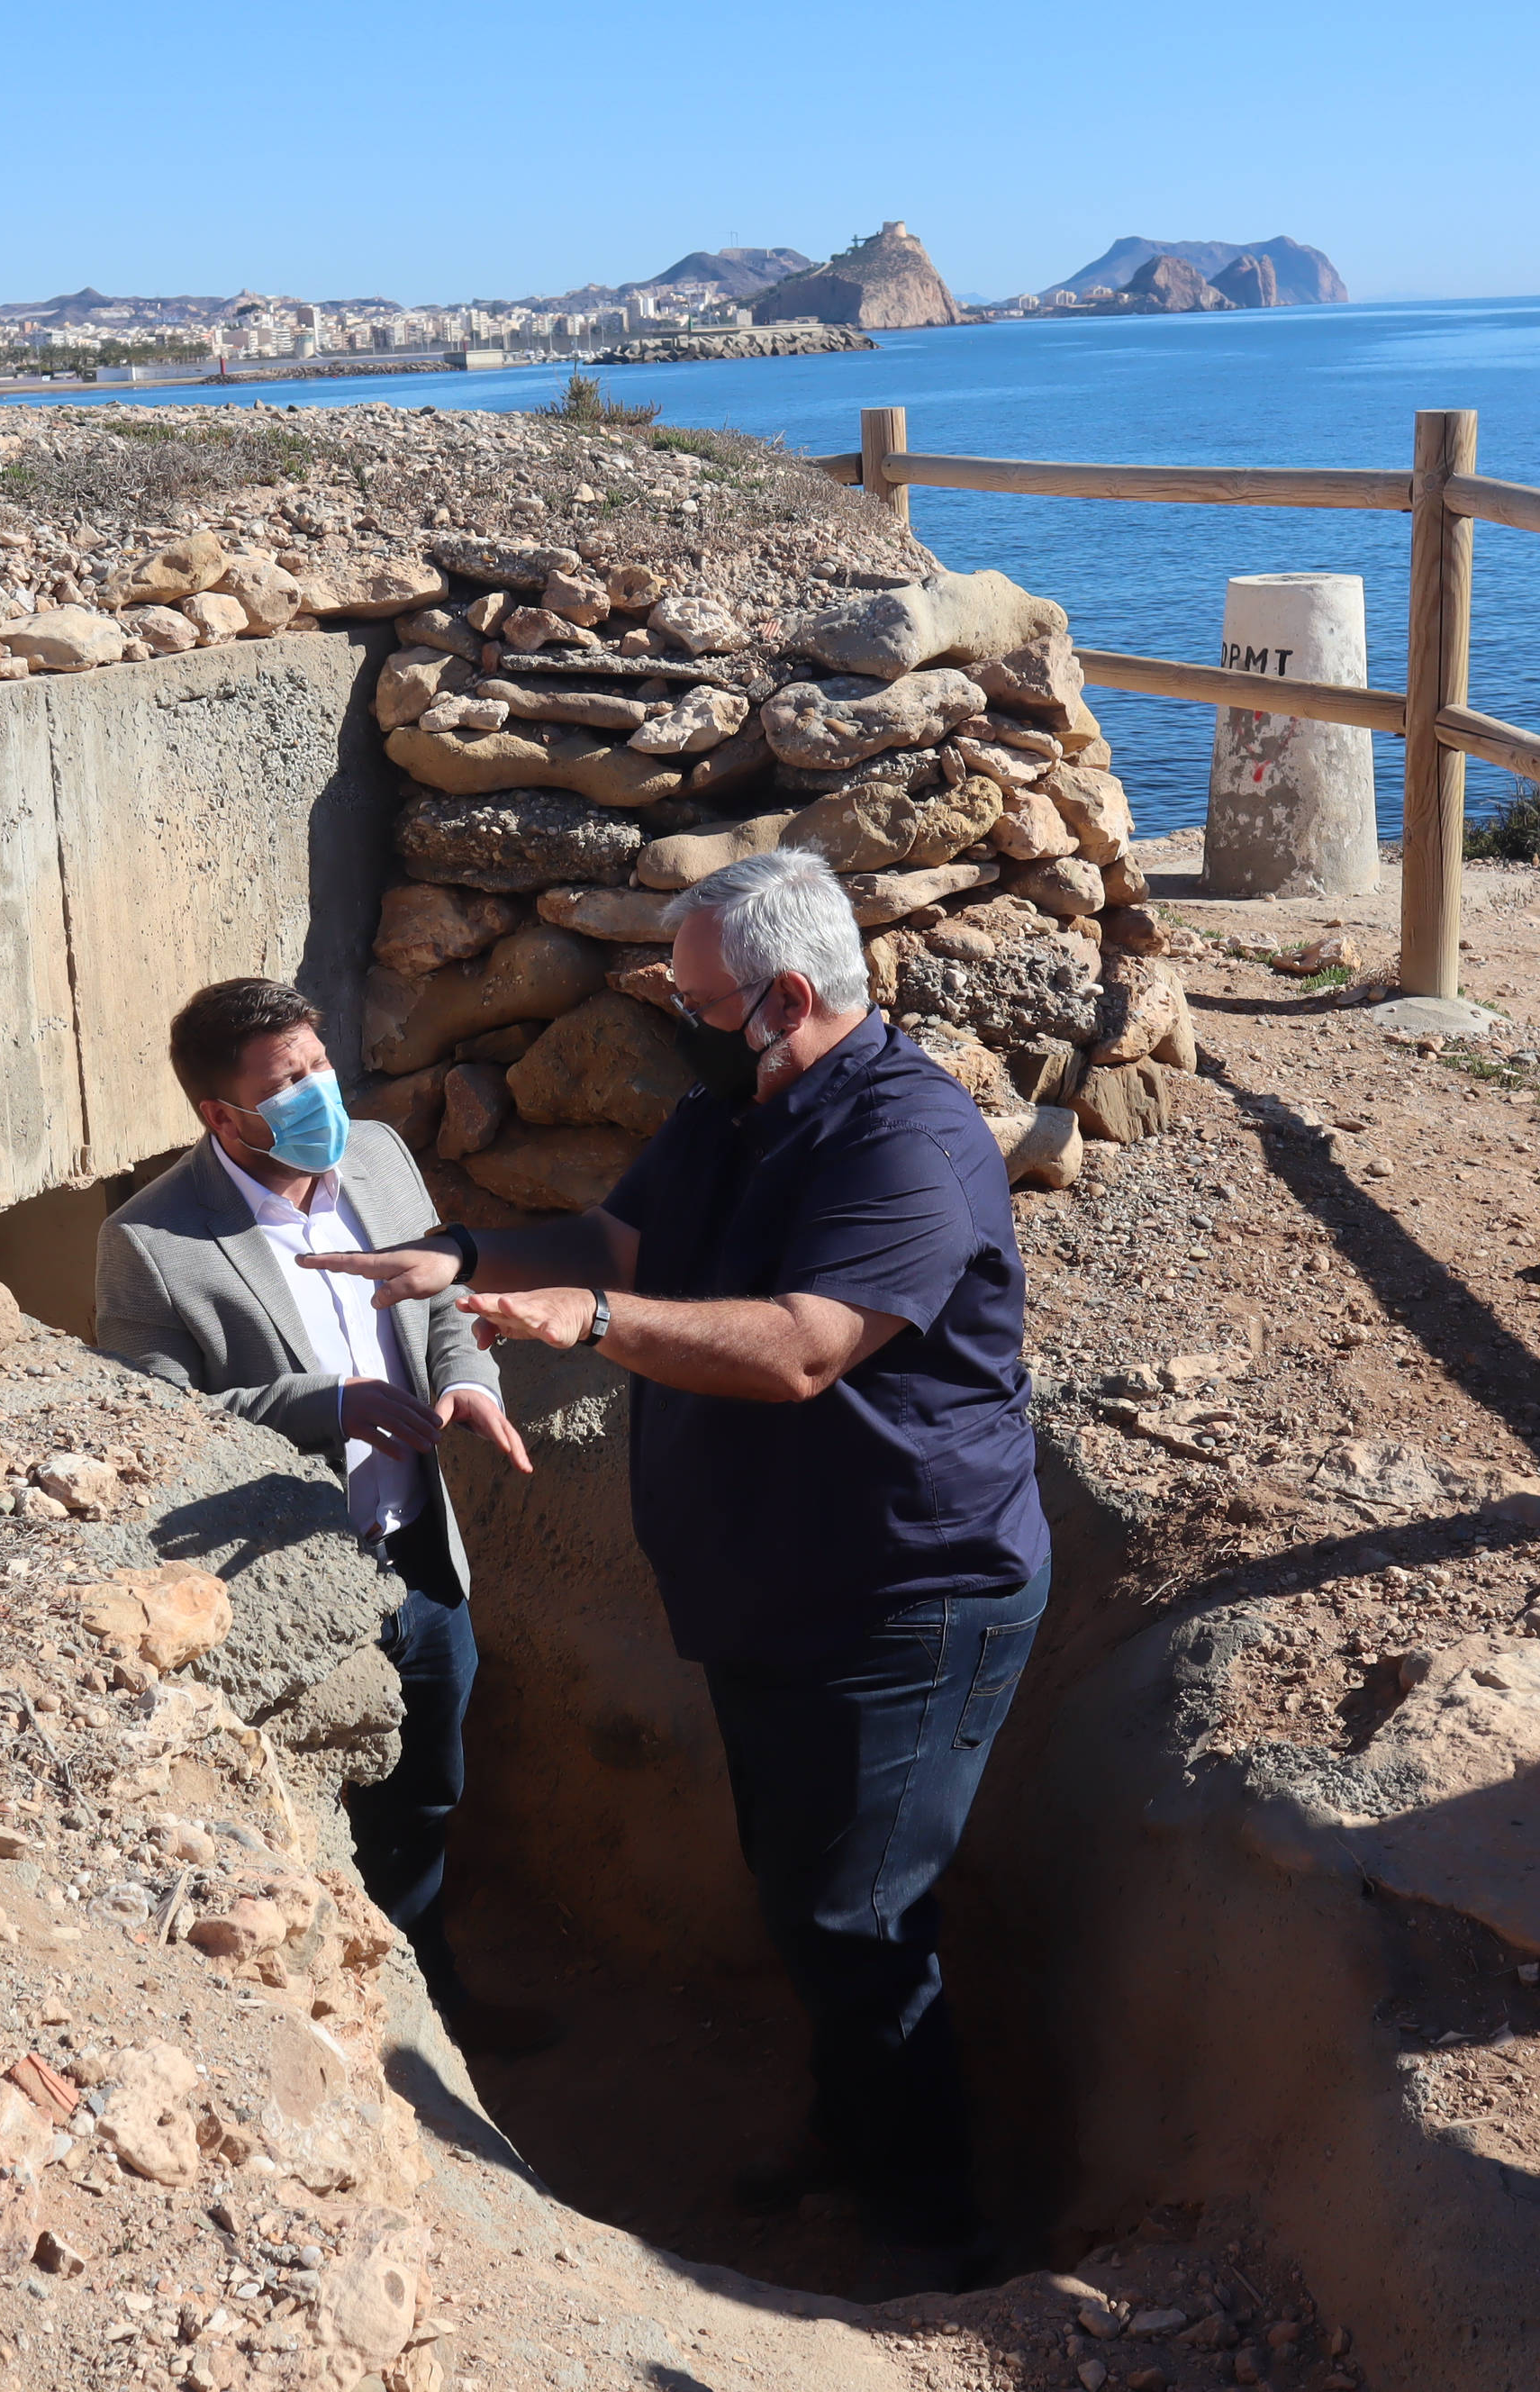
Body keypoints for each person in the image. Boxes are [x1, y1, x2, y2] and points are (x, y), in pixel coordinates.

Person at [302, 846, 1047, 2290]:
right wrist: (465, 1255)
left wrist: (589, 1321)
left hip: (904, 1600)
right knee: (805, 1887)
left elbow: (804, 1349)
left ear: (785, 998)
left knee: (858, 1913)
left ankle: (933, 2233)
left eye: (695, 1002)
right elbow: (615, 1236)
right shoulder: (732, 1106)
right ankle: (850, 2133)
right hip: (773, 1593)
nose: (675, 1021)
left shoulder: (906, 1141)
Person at [94, 975, 552, 2054]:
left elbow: (442, 1301)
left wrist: (468, 1379)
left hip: (421, 1560)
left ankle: (431, 2018)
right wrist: (326, 1404)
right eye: (286, 1084)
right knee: (310, 1832)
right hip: (291, 1594)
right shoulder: (152, 1242)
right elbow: (153, 1426)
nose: (318, 1094)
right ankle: (324, 2043)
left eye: (318, 1065)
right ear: (223, 1117)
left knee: (427, 1794)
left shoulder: (380, 1158)